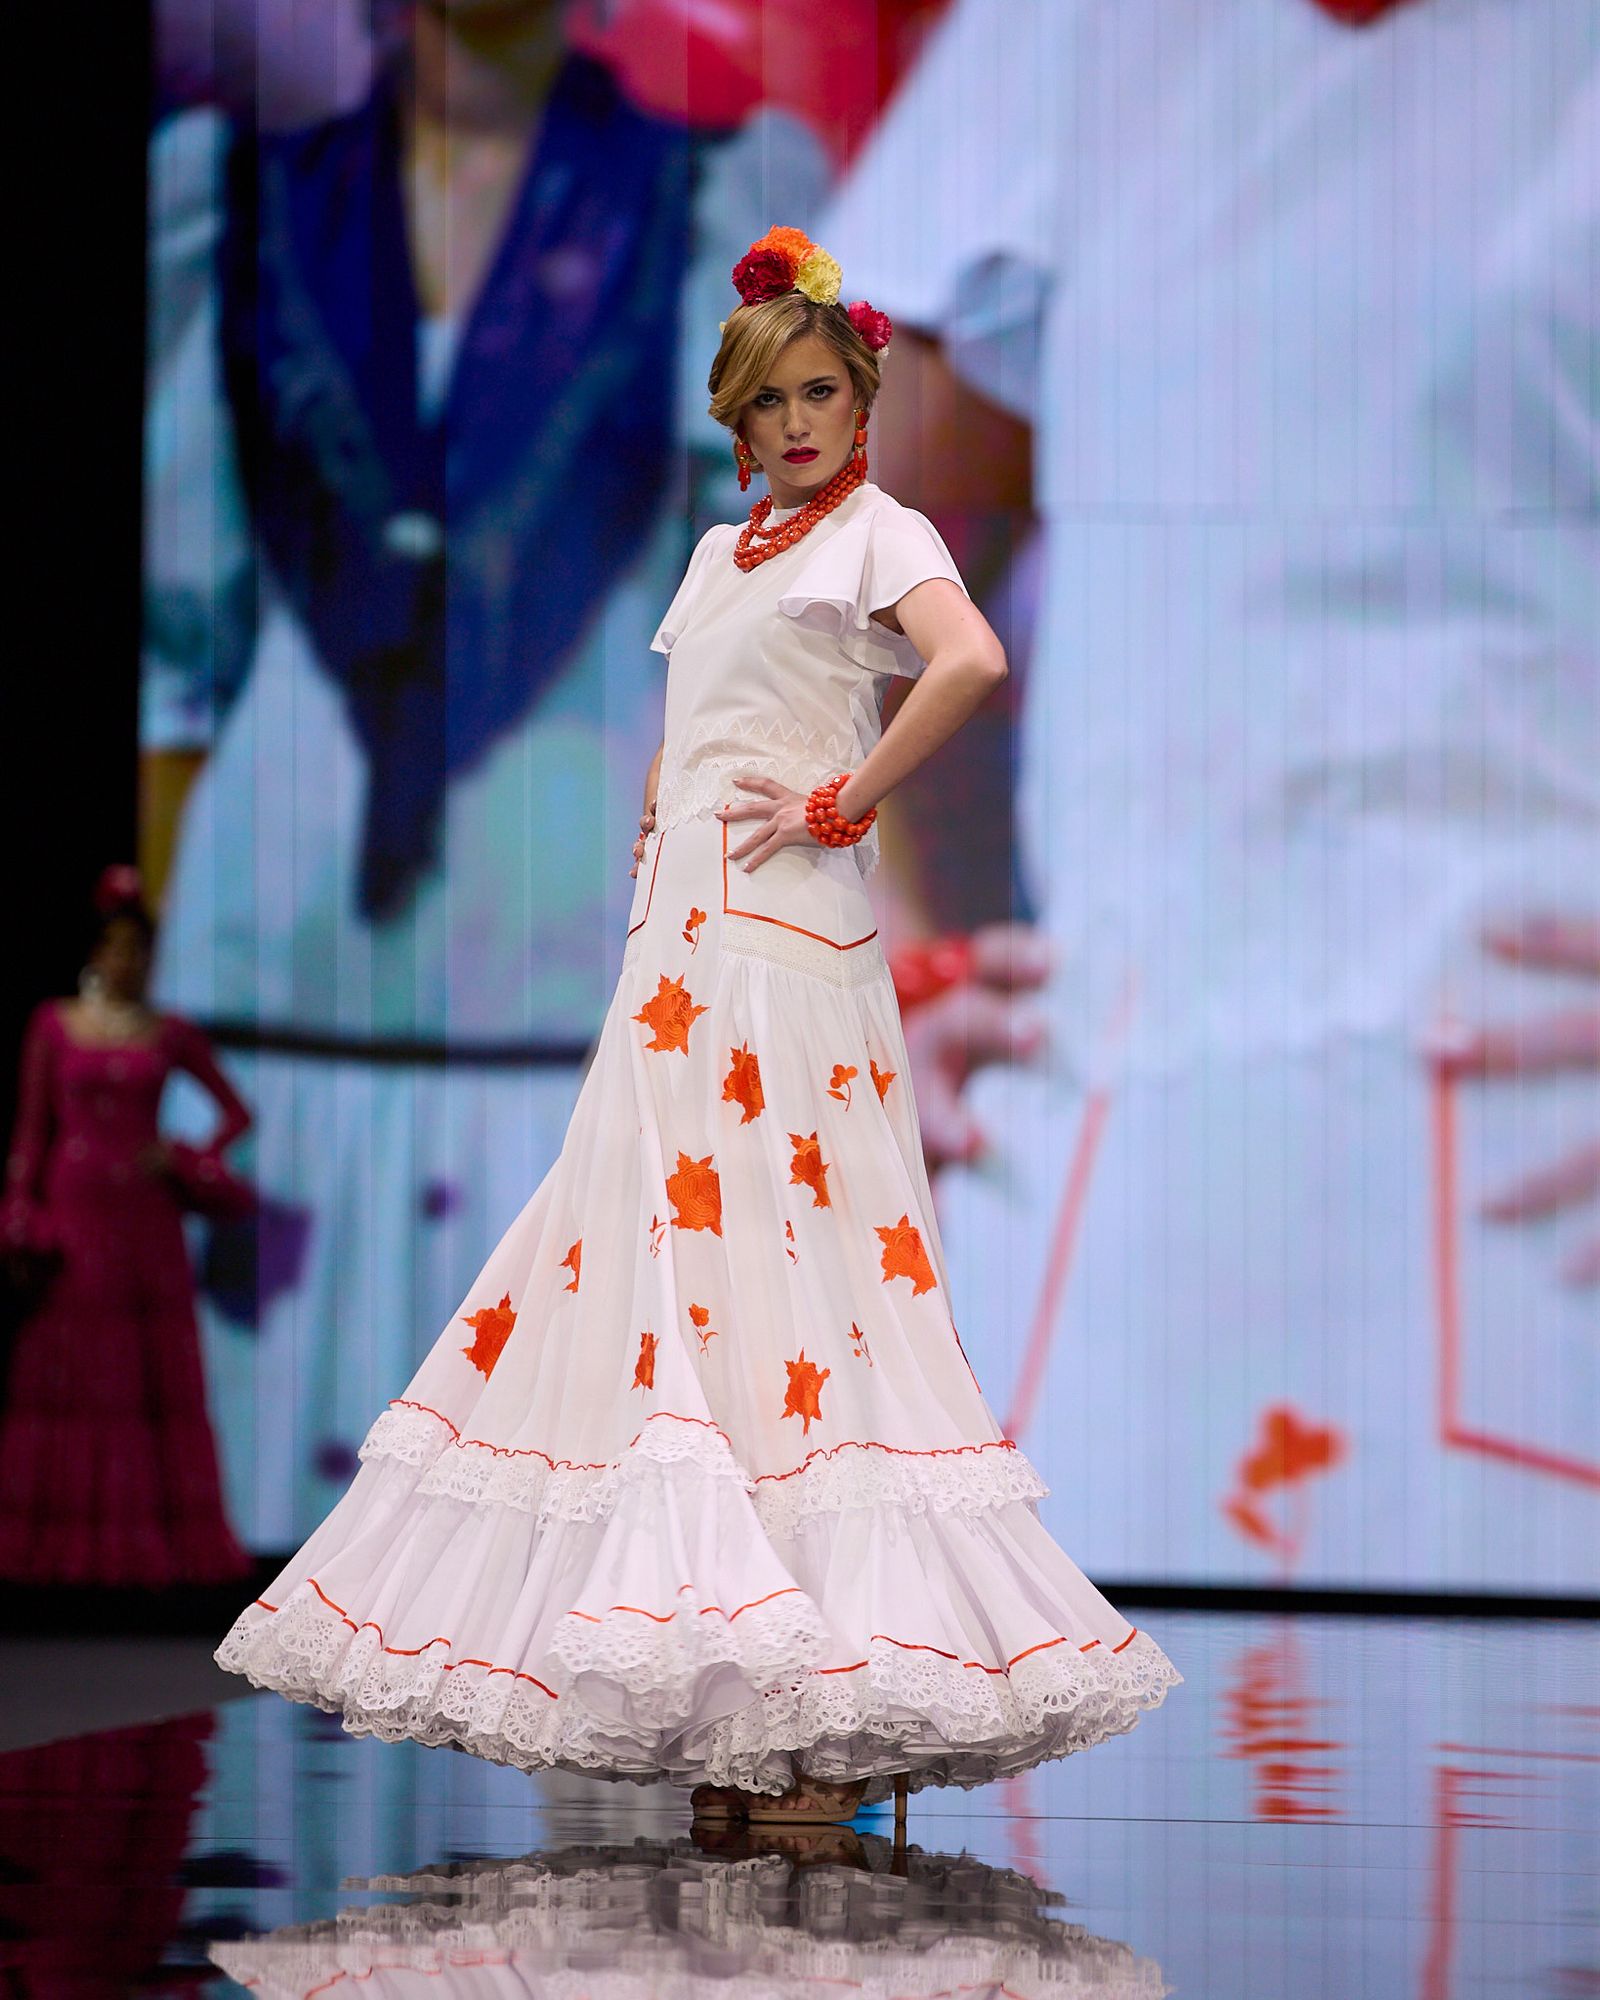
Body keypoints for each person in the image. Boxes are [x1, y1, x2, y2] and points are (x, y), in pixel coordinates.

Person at [213, 228, 1181, 1822]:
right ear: (736, 424)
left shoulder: (883, 534)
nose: (796, 424)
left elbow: (972, 660)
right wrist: (660, 842)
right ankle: (729, 1687)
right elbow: (687, 730)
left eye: (819, 393)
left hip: (792, 954)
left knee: (800, 1268)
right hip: (681, 951)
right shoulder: (720, 554)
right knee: (660, 1261)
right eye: (768, 402)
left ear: (862, 397)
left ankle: (821, 1690)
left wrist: (848, 797)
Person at [816, 0, 1600, 1590]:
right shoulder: (1075, 36)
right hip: (1125, 1164)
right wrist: (885, 949)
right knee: (1096, 1808)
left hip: (1544, 1158)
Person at [141, 1, 830, 1552]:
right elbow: (180, 651)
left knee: (560, 1585)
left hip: (574, 979)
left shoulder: (716, 204)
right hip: (277, 982)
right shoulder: (231, 198)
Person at [0, 867, 255, 1586]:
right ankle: (62, 1561)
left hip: (145, 1227)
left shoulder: (170, 1032)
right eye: (113, 946)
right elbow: (30, 1133)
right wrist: (21, 1218)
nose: (125, 960)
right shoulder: (52, 1025)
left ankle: (148, 1560)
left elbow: (238, 1113)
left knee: (143, 1383)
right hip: (76, 1221)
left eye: (136, 948)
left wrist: (181, 1157)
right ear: (93, 953)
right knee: (75, 1378)